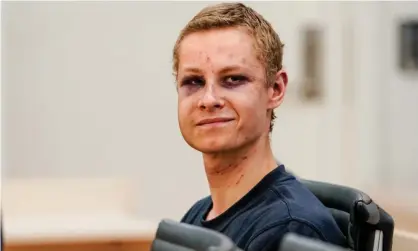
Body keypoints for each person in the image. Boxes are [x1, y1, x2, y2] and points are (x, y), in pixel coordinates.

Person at [172, 2, 346, 251]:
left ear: (276, 89)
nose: (208, 99)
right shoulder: (199, 215)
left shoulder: (293, 230)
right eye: (194, 81)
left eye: (233, 79)